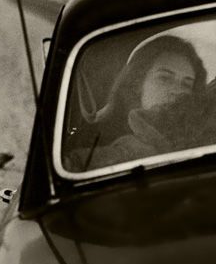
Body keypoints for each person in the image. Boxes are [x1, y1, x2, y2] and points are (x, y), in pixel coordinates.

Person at [77, 34, 208, 168]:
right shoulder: (101, 140)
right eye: (164, 78)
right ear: (138, 83)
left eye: (186, 85)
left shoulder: (200, 137)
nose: (177, 91)